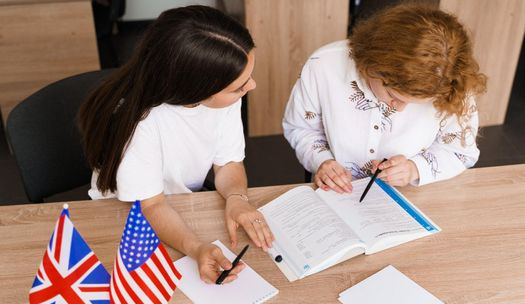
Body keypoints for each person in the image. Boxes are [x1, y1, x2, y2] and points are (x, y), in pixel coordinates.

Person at [78, 5, 274, 284]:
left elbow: (229, 162)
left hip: (178, 202)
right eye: (239, 86)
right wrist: (196, 248)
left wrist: (236, 199)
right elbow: (153, 206)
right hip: (127, 214)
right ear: (197, 89)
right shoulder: (141, 123)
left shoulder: (225, 97)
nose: (251, 86)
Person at [283, 3, 487, 193]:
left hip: (412, 194)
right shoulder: (323, 66)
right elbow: (301, 128)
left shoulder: (451, 81)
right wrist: (322, 161)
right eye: (393, 95)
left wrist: (414, 169)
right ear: (371, 66)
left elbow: (459, 152)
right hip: (334, 192)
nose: (399, 109)